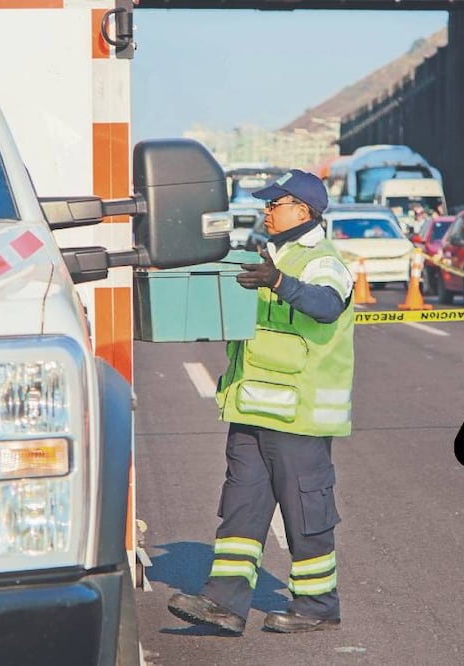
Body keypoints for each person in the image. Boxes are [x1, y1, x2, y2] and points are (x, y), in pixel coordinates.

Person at [167, 169, 356, 635]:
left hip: (298, 415)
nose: (267, 211)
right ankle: (223, 604)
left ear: (304, 211)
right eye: (267, 204)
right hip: (252, 407)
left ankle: (318, 607)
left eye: (276, 203)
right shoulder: (271, 255)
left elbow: (327, 303)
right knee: (241, 507)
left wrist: (278, 282)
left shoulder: (320, 259)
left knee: (305, 512)